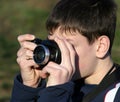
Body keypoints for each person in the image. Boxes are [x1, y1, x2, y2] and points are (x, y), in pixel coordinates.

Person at [11, 0, 120, 101]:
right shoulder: (66, 85)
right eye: (52, 43)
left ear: (101, 46)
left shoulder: (114, 95)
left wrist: (56, 93)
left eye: (67, 45)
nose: (57, 53)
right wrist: (29, 88)